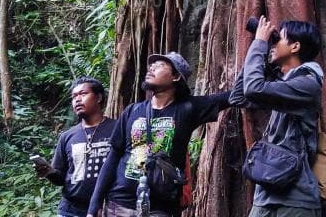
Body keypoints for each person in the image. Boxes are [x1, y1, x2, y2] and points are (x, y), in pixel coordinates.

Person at [86, 51, 231, 217]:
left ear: (176, 76)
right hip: (119, 205)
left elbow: (234, 95)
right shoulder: (132, 110)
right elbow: (112, 159)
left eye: (160, 65)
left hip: (161, 208)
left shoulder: (188, 108)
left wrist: (260, 45)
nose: (151, 68)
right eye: (151, 65)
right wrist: (93, 206)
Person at [230, 16, 324, 217]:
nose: (272, 44)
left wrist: (260, 43)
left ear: (295, 46)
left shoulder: (308, 84)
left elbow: (253, 89)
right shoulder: (283, 85)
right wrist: (261, 56)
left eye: (277, 39)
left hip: (296, 199)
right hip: (265, 194)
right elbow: (238, 96)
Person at [34, 76, 116, 217]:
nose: (77, 99)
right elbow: (60, 178)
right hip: (70, 210)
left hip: (107, 209)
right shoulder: (67, 136)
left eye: (83, 94)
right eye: (74, 96)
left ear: (99, 98)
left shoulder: (117, 129)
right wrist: (49, 172)